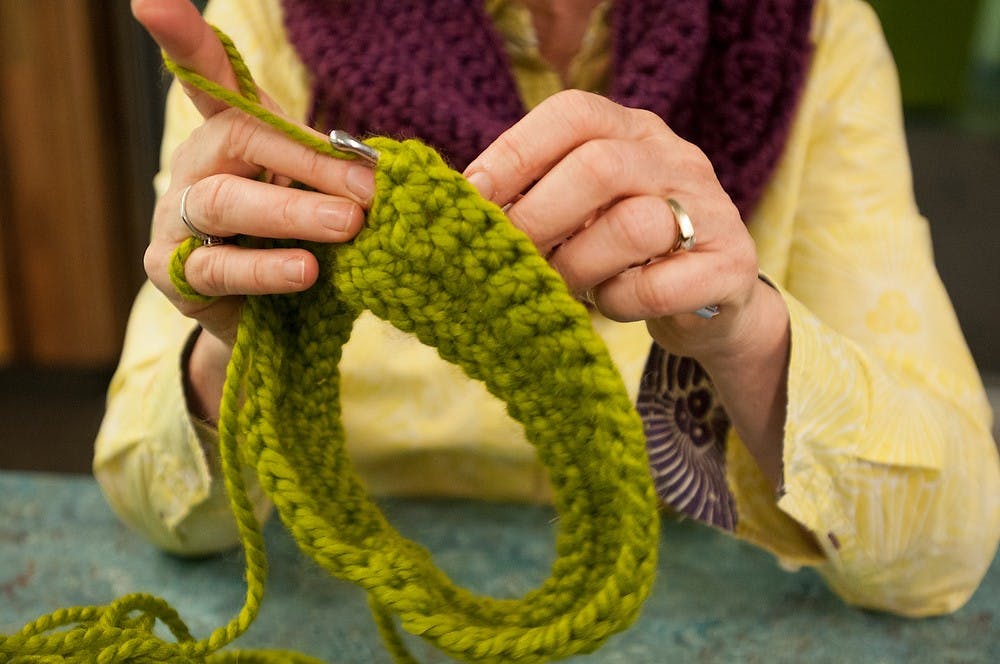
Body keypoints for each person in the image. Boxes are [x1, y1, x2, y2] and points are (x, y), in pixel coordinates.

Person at [95, 0, 999, 619]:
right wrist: (245, 347)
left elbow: (944, 553)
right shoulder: (273, 21)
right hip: (332, 596)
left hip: (701, 591)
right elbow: (154, 496)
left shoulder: (812, 30)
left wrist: (743, 327)